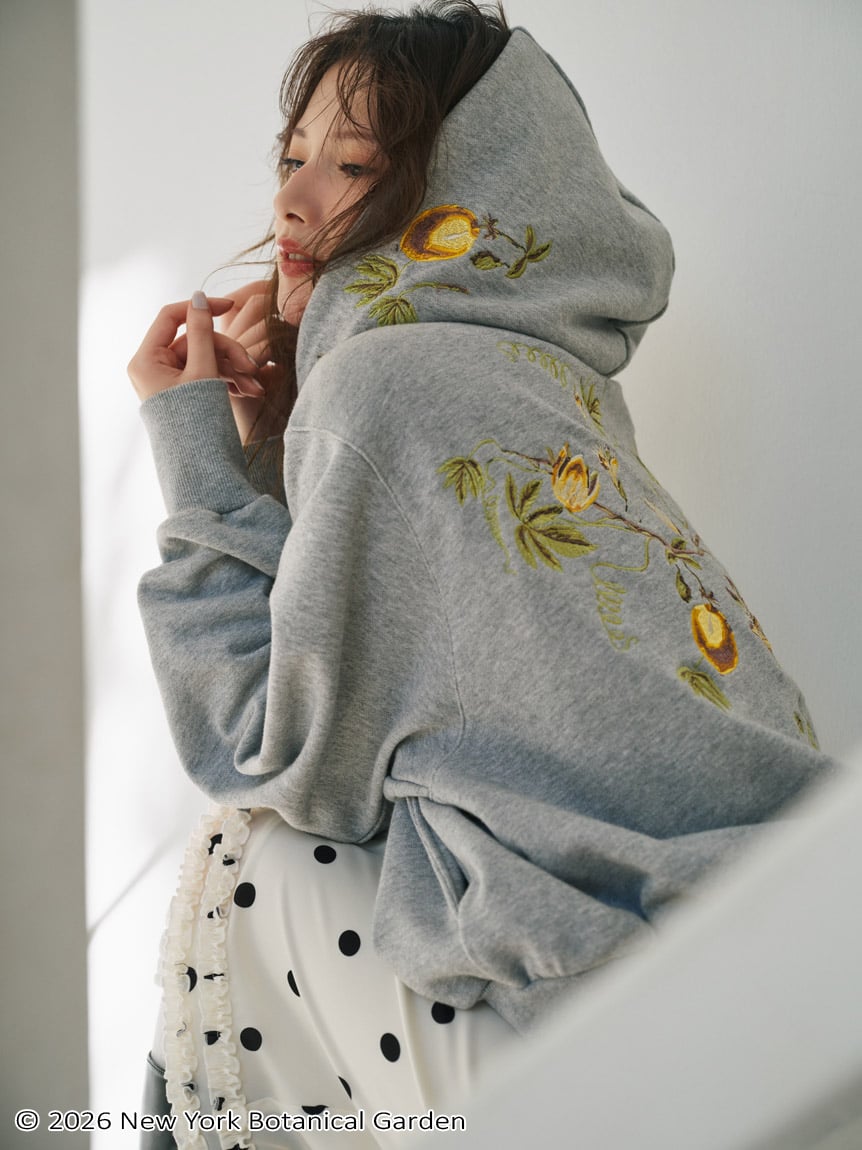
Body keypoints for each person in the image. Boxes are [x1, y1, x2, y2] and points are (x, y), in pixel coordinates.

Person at [128, 2, 833, 1146]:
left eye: (353, 164)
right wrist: (273, 452)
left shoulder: (383, 391)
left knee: (248, 859)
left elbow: (263, 749)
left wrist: (198, 459)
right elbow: (395, 703)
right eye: (291, 157)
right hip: (773, 962)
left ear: (464, 195)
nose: (292, 202)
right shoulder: (558, 392)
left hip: (612, 1036)